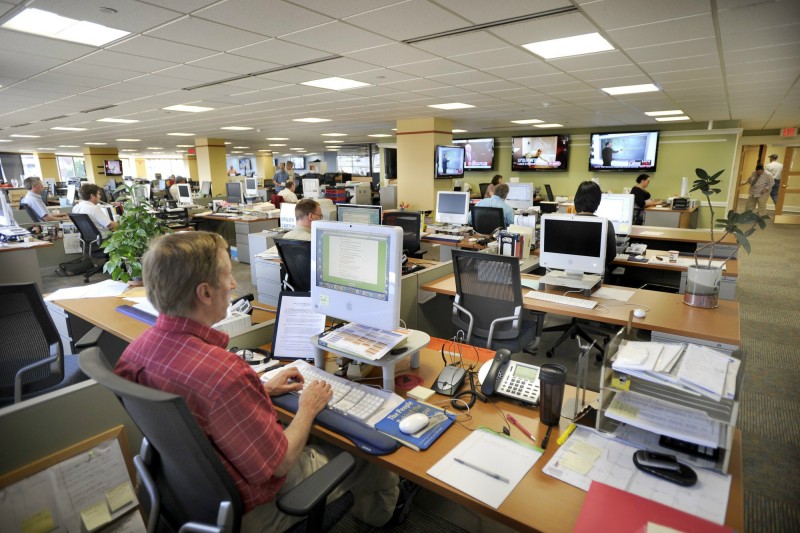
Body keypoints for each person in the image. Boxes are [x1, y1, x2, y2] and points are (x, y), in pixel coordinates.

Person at [114, 232, 410, 532]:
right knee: (365, 457)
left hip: (190, 494)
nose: (233, 285)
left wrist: (259, 390)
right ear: (204, 293)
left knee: (319, 435)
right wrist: (308, 407)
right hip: (256, 510)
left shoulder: (134, 354)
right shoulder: (224, 373)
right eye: (228, 275)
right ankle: (385, 518)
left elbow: (193, 414)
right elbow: (280, 463)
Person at [573, 181, 616, 278]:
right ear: (598, 202)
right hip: (595, 278)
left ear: (576, 199)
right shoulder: (606, 224)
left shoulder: (563, 222)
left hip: (564, 277)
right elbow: (611, 257)